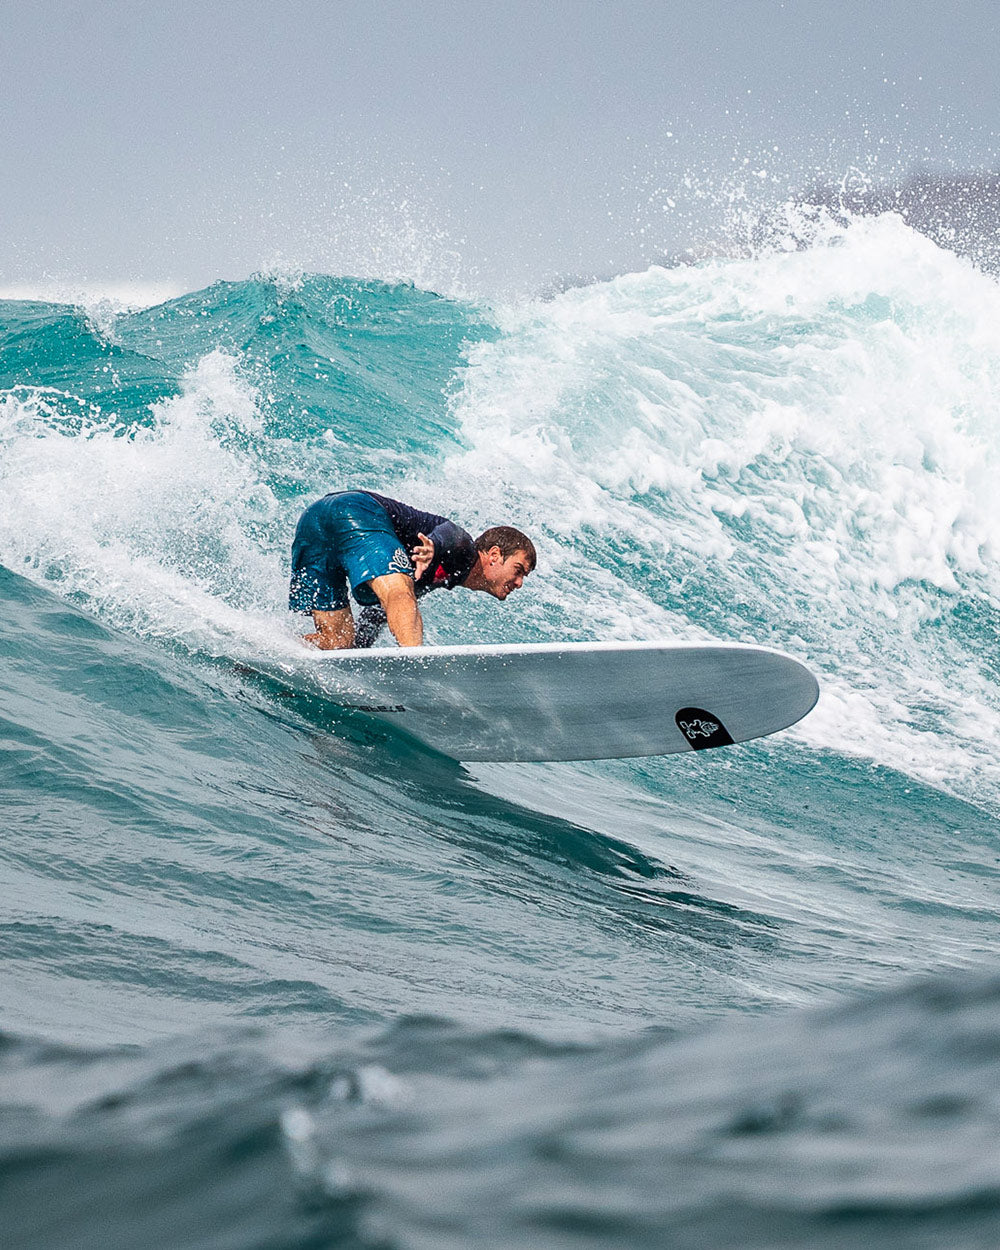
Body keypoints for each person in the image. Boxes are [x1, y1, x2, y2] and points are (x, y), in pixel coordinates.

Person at [288, 489, 536, 649]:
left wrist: (356, 655)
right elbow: (448, 534)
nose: (519, 583)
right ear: (494, 555)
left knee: (337, 642)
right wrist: (433, 547)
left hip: (315, 522)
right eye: (518, 570)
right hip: (354, 510)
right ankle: (415, 663)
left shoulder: (436, 577)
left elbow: (377, 614)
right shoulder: (464, 550)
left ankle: (268, 647)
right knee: (401, 594)